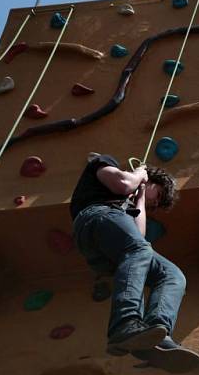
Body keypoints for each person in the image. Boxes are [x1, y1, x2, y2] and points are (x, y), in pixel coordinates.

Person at [70, 153, 188, 363]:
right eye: (158, 195)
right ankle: (125, 323)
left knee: (171, 275)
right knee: (140, 250)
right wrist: (139, 174)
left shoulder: (129, 202)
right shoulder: (104, 163)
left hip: (111, 242)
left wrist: (141, 197)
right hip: (96, 217)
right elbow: (123, 184)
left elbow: (139, 233)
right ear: (152, 179)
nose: (155, 203)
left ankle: (156, 332)